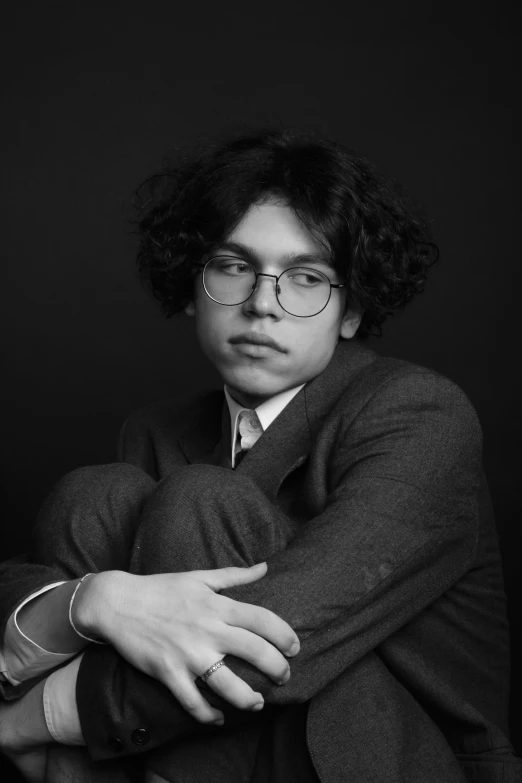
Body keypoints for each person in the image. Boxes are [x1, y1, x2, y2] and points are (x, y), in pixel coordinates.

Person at [0, 128, 520, 783]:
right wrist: (90, 602)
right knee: (94, 494)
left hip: (380, 753)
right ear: (192, 284)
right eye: (234, 265)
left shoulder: (420, 411)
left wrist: (27, 716)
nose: (261, 305)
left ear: (351, 309)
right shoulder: (156, 430)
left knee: (200, 497)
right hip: (210, 753)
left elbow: (280, 636)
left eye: (305, 277)